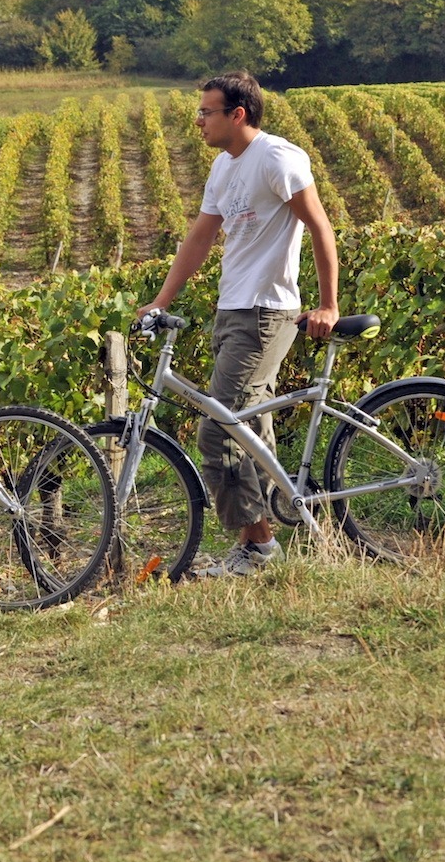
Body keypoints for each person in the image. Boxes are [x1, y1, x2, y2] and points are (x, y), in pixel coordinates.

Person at [138, 71, 339, 578]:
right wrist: (161, 300)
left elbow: (319, 226)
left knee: (219, 430)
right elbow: (200, 239)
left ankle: (260, 549)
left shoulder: (276, 157)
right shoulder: (223, 168)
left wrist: (328, 305)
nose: (198, 119)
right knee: (252, 433)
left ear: (238, 114)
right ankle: (279, 528)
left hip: (266, 312)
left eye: (207, 111)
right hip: (232, 311)